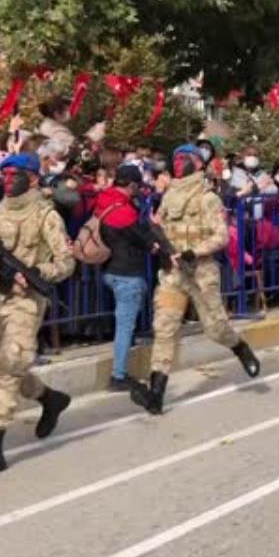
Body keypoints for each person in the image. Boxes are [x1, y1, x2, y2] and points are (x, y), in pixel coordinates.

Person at [0, 153, 77, 480]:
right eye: (6, 173)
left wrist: (38, 272)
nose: (9, 179)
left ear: (34, 178)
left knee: (7, 368)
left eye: (16, 174)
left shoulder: (46, 215)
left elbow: (66, 263)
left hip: (26, 302)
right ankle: (49, 398)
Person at [131, 144, 261, 415]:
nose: (179, 162)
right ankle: (156, 393)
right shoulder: (169, 196)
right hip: (173, 273)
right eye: (176, 157)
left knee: (215, 328)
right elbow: (161, 227)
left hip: (201, 272)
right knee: (164, 328)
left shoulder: (207, 198)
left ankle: (239, 347)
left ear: (199, 164)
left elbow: (221, 236)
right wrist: (160, 245)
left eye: (186, 158)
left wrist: (194, 251)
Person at [97, 165, 159, 390]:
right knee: (124, 327)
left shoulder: (104, 201)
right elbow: (143, 239)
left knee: (124, 324)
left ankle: (122, 366)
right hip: (127, 274)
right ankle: (119, 375)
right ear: (132, 185)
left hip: (109, 270)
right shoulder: (124, 212)